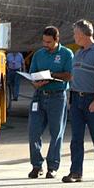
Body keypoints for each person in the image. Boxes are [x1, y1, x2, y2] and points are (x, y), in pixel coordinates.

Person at [64, 19, 94, 183]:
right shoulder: (78, 53)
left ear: (83, 34)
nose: (74, 37)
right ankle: (76, 172)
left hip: (92, 99)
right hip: (77, 99)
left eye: (76, 34)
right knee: (76, 138)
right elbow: (74, 76)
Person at [27, 25, 74, 179]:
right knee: (33, 131)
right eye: (44, 41)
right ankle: (36, 165)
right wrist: (35, 83)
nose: (45, 45)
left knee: (56, 132)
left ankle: (52, 166)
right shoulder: (39, 54)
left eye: (48, 42)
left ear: (56, 40)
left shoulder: (67, 54)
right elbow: (32, 73)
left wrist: (53, 75)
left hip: (57, 96)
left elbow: (69, 75)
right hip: (39, 95)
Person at [5, 47, 26, 113]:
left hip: (17, 70)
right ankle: (11, 96)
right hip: (10, 71)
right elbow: (6, 63)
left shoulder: (20, 55)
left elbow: (23, 63)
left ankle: (15, 96)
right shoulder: (8, 55)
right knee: (10, 84)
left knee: (17, 84)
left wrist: (24, 71)